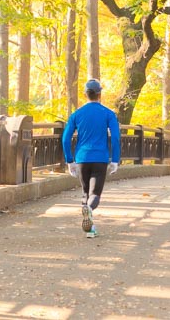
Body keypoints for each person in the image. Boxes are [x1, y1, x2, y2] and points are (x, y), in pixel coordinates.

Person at [61, 79, 121, 238]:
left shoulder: (77, 114)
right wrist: (115, 159)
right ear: (100, 94)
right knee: (95, 194)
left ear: (85, 94)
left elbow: (65, 139)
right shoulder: (108, 113)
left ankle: (90, 229)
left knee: (85, 192)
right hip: (100, 158)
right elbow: (115, 137)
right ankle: (89, 209)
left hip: (82, 158)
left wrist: (69, 160)